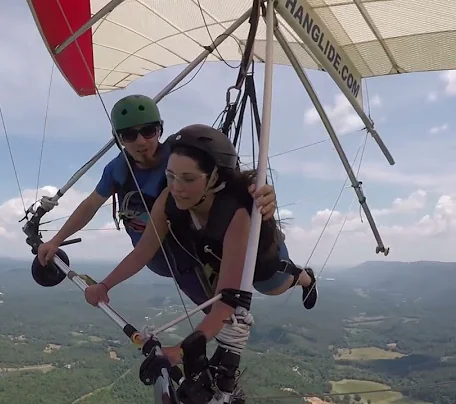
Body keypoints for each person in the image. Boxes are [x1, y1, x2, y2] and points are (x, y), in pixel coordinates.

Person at [84, 124, 318, 365]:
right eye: (170, 176)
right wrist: (104, 285)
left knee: (272, 284)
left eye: (188, 179)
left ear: (215, 178)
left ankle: (305, 277)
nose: (176, 187)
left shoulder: (235, 214)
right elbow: (143, 251)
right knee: (210, 289)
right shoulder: (168, 199)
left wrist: (180, 350)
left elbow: (228, 299)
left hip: (260, 255)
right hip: (213, 250)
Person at [38, 94, 281, 309]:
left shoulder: (182, 160)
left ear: (160, 130)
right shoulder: (118, 170)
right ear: (119, 139)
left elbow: (230, 186)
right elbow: (91, 204)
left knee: (271, 282)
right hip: (159, 257)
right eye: (129, 135)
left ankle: (301, 277)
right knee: (218, 313)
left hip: (189, 247)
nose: (141, 142)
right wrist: (56, 241)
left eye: (148, 131)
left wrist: (262, 195)